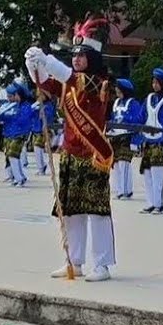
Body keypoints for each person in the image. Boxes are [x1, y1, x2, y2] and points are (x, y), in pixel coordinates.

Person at [25, 15, 118, 282]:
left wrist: (48, 61)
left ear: (93, 58)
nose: (76, 59)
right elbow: (47, 84)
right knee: (71, 211)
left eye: (82, 55)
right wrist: (34, 65)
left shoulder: (100, 83)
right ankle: (74, 262)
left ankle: (102, 265)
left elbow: (72, 79)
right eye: (74, 54)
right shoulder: (68, 82)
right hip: (70, 153)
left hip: (93, 155)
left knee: (97, 212)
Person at [138, 69, 163, 215]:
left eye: (157, 82)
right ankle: (150, 203)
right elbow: (141, 117)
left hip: (161, 141)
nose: (154, 85)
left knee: (157, 174)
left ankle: (158, 205)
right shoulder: (149, 98)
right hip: (148, 140)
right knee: (147, 173)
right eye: (153, 82)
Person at [107, 79, 144, 200]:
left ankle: (126, 191)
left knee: (124, 163)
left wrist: (135, 141)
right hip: (115, 136)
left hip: (127, 136)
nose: (117, 91)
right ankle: (119, 190)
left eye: (119, 89)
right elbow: (113, 117)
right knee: (116, 164)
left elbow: (138, 121)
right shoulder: (116, 102)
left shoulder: (134, 104)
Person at [0, 82, 34, 187]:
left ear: (19, 95)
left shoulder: (26, 106)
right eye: (8, 96)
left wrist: (13, 114)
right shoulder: (8, 105)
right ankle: (14, 177)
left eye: (12, 96)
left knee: (13, 155)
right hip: (8, 133)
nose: (9, 98)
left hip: (19, 134)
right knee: (9, 155)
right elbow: (2, 120)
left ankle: (20, 178)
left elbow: (24, 121)